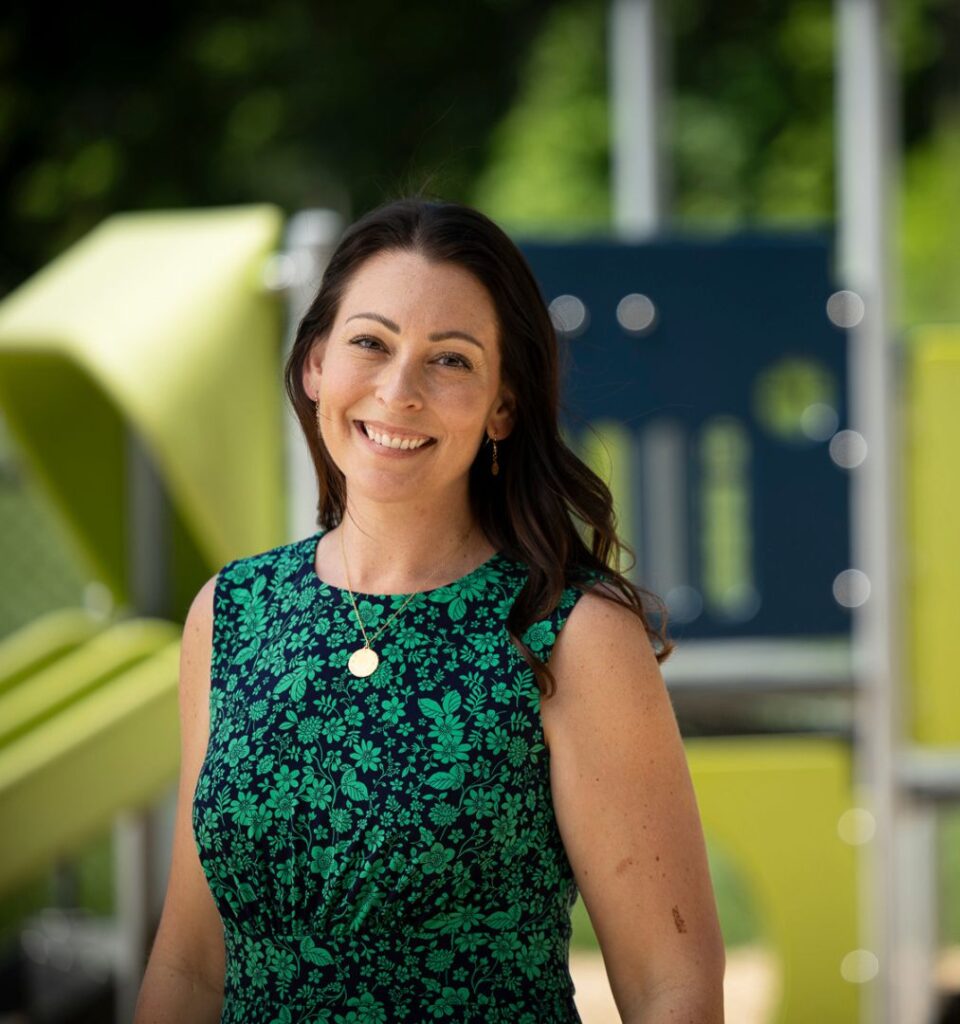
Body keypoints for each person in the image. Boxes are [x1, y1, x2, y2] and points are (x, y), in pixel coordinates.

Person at [134, 197, 725, 1023]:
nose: (399, 390)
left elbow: (675, 989)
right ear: (313, 366)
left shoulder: (570, 633)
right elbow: (189, 966)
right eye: (370, 343)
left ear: (503, 408)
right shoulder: (232, 613)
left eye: (450, 360)